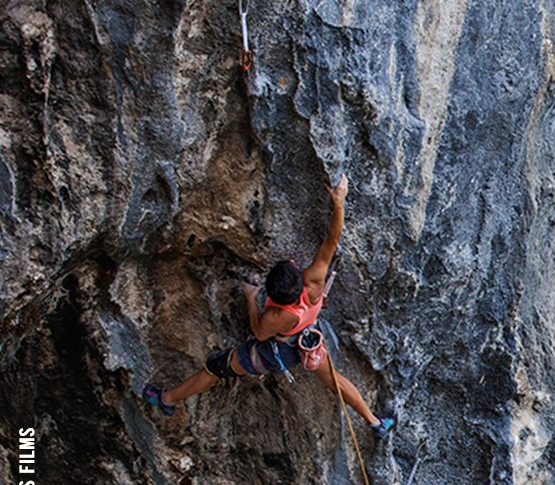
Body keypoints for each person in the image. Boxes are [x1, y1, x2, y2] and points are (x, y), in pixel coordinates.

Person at [142, 175, 395, 438]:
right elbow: (333, 239)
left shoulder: (279, 315)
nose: (293, 262)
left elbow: (260, 333)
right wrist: (339, 202)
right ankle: (375, 423)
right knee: (335, 380)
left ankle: (167, 399)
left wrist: (251, 298)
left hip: (279, 351)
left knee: (217, 367)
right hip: (309, 338)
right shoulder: (313, 283)